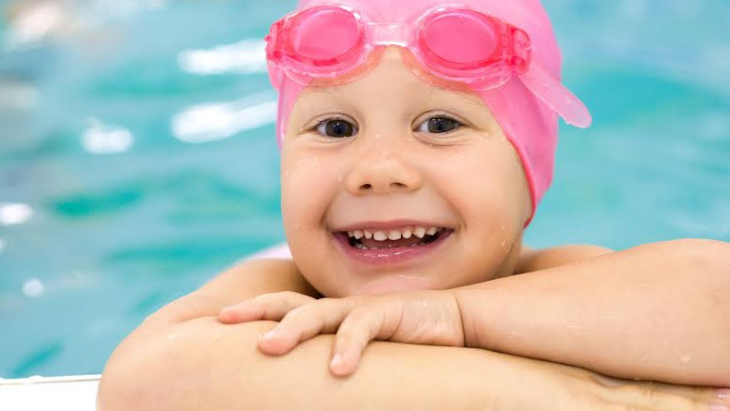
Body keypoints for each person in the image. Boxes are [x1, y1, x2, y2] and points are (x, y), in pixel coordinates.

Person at [97, 0, 730, 410]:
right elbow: (147, 386)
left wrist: (456, 318)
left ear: (526, 170)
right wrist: (579, 397)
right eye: (336, 129)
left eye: (439, 124)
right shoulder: (284, 291)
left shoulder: (560, 283)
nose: (378, 173)